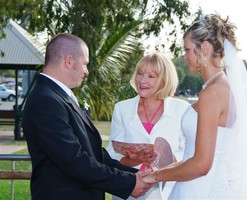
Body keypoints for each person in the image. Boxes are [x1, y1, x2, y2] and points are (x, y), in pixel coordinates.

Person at [22, 33, 154, 200]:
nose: (86, 71)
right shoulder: (45, 101)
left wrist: (137, 175)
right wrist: (129, 183)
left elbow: (95, 154)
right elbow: (74, 161)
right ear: (69, 61)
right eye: (84, 64)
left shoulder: (58, 96)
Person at [143, 13, 247, 199]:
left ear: (204, 48)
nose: (184, 56)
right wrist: (168, 166)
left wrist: (153, 177)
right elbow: (197, 157)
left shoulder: (213, 93)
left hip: (201, 190)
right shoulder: (220, 88)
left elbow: (201, 165)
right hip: (201, 186)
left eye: (187, 49)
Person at [106, 52, 190, 199]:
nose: (142, 80)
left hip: (168, 192)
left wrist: (166, 158)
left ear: (164, 80)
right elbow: (112, 153)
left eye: (151, 76)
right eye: (140, 74)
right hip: (130, 189)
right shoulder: (121, 108)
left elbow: (190, 152)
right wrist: (134, 159)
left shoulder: (182, 109)